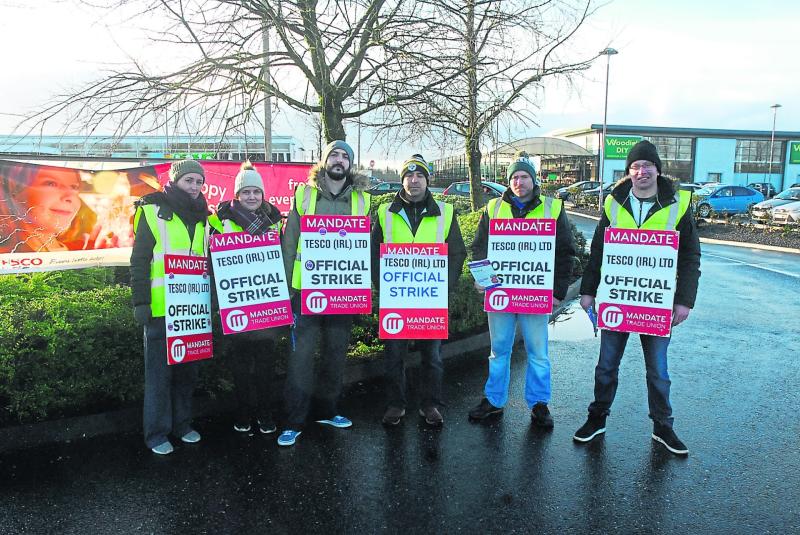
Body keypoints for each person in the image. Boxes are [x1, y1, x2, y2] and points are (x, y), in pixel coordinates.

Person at [573, 140, 701, 455]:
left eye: (647, 166)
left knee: (658, 370)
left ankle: (663, 427)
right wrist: (588, 291)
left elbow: (690, 257)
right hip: (619, 299)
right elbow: (598, 252)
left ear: (658, 169)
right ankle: (597, 418)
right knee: (605, 366)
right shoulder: (614, 204)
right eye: (635, 167)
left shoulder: (678, 204)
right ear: (628, 172)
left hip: (655, 302)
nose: (641, 171)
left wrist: (684, 300)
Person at [468, 152, 576, 428]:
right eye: (514, 177)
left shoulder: (553, 208)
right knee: (499, 350)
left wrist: (557, 291)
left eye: (524, 176)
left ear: (533, 179)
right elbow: (480, 247)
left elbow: (565, 252)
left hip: (535, 295)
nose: (519, 181)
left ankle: (539, 404)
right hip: (501, 294)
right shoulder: (493, 208)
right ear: (509, 181)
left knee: (538, 352)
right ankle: (494, 401)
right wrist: (481, 278)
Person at [278, 140, 371, 446]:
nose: (339, 160)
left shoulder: (362, 200)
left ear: (350, 164)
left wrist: (362, 291)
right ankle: (294, 421)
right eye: (335, 154)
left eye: (345, 156)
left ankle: (327, 410)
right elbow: (290, 242)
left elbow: (364, 249)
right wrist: (287, 289)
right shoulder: (304, 195)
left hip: (343, 293)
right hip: (305, 292)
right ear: (324, 160)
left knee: (334, 356)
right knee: (300, 359)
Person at [370, 154, 467, 427]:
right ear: (402, 180)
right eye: (409, 176)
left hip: (431, 301)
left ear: (427, 180)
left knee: (432, 357)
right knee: (394, 356)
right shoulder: (384, 212)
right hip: (396, 300)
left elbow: (457, 253)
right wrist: (383, 287)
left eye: (420, 176)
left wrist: (443, 286)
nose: (414, 181)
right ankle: (395, 404)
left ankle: (431, 404)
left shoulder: (445, 213)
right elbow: (373, 253)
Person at [130, 159, 210, 455]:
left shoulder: (204, 217)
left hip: (192, 310)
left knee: (188, 373)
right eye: (188, 180)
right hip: (161, 310)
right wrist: (141, 301)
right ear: (175, 181)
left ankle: (182, 425)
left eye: (198, 182)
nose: (194, 187)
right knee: (159, 375)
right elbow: (138, 261)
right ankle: (156, 434)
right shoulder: (151, 211)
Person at [208, 161, 284, 436]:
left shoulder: (275, 223)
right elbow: (211, 263)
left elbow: (282, 262)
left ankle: (265, 413)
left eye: (256, 192)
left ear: (263, 195)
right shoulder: (219, 223)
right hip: (235, 307)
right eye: (246, 192)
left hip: (266, 307)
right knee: (239, 367)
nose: (251, 197)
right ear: (236, 195)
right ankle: (243, 413)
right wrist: (218, 303)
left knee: (265, 365)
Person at [0, 163, 87, 253]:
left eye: (74, 187)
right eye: (51, 184)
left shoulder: (86, 250)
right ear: (14, 192)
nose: (70, 197)